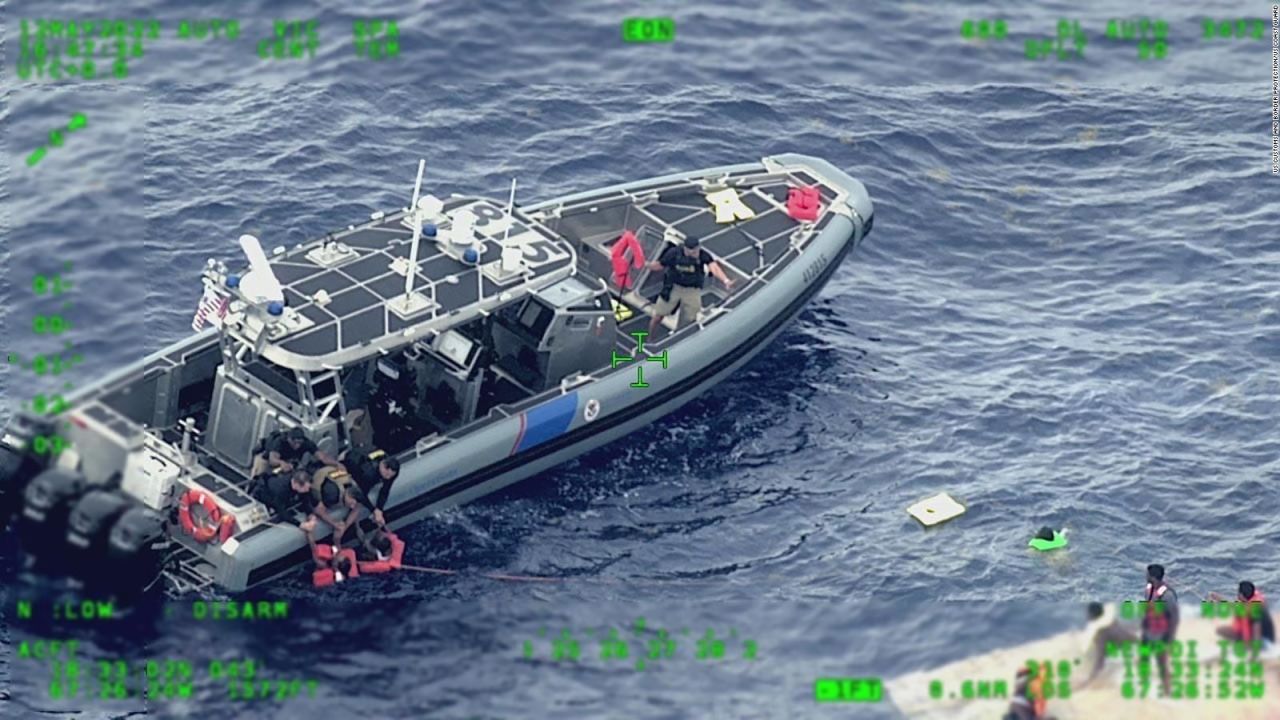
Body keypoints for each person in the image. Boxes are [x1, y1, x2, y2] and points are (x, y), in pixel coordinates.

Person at [645, 236, 734, 333]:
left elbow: (714, 268)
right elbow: (659, 265)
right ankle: (650, 337)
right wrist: (646, 264)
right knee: (658, 315)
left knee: (688, 321)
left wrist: (726, 281)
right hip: (673, 286)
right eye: (690, 252)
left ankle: (678, 335)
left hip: (692, 290)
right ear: (685, 248)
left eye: (695, 252)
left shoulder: (703, 255)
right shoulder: (674, 253)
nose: (693, 254)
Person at [300, 466, 367, 546]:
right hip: (318, 482)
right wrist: (335, 524)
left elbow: (357, 506)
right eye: (351, 503)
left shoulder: (355, 488)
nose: (352, 506)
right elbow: (318, 510)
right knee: (311, 514)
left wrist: (344, 526)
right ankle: (314, 548)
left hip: (335, 475)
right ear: (348, 495)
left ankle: (357, 530)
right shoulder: (332, 495)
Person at [1077, 601, 1137, 689]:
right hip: (1137, 645)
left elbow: (1100, 660)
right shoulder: (1111, 621)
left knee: (1113, 675)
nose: (1086, 615)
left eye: (1088, 613)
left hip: (1130, 654)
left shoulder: (1100, 633)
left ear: (1091, 615)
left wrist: (1089, 681)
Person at [1140, 563, 1179, 697]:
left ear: (1153, 577)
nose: (1145, 576)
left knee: (1161, 662)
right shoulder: (1149, 589)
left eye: (1147, 575)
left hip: (1161, 634)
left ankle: (1168, 692)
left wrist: (1170, 638)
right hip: (1147, 632)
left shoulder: (1167, 596)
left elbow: (1174, 617)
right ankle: (1143, 686)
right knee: (1143, 658)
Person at [250, 427, 340, 479]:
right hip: (267, 458)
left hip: (289, 461)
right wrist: (281, 463)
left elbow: (322, 457)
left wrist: (336, 464)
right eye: (295, 442)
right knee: (258, 476)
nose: (297, 445)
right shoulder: (280, 441)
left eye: (299, 443)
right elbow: (272, 459)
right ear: (289, 439)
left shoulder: (306, 443)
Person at [1210, 581, 1275, 652]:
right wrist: (1218, 598)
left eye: (1239, 592)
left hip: (1264, 642)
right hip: (1255, 635)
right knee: (1221, 630)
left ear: (1242, 595)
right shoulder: (1251, 599)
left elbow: (1257, 631)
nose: (1237, 594)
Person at [347, 451, 400, 528]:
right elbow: (361, 494)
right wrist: (373, 510)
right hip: (351, 463)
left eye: (390, 476)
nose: (388, 478)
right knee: (357, 503)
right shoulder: (369, 475)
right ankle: (354, 526)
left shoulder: (391, 472)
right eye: (387, 474)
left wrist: (379, 508)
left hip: (362, 456)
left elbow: (385, 490)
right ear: (383, 466)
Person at [306, 523, 359, 588]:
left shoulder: (322, 564)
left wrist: (309, 532)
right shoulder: (335, 559)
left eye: (337, 558)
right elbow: (337, 542)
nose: (337, 555)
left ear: (335, 565)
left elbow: (313, 547)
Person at [250, 469, 316, 518]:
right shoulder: (281, 490)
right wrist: (299, 524)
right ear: (296, 484)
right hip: (265, 496)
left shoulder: (299, 486)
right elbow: (281, 510)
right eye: (305, 488)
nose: (307, 490)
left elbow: (306, 498)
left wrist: (310, 513)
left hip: (281, 497)